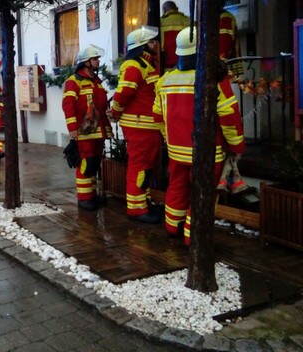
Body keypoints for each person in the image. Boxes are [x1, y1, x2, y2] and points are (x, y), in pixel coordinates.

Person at [152, 26, 245, 246]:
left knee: (177, 187)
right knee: (202, 194)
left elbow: (157, 116)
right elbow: (229, 116)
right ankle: (194, 237)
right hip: (207, 151)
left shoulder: (164, 80)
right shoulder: (214, 80)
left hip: (176, 151)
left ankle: (173, 227)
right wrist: (237, 146)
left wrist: (169, 139)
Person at [110, 26, 163, 223]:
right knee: (139, 165)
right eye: (152, 42)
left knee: (146, 166)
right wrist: (115, 112)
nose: (156, 45)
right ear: (143, 46)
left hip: (147, 125)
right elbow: (124, 93)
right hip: (139, 125)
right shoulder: (134, 65)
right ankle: (136, 209)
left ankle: (143, 202)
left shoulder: (147, 63)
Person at [62, 45, 113, 211]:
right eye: (95, 59)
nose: (98, 61)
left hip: (98, 130)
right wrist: (72, 129)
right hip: (84, 131)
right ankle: (84, 198)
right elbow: (68, 106)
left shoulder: (97, 81)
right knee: (86, 162)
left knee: (95, 163)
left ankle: (92, 194)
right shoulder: (74, 81)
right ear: (86, 62)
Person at [160, 1, 190, 70]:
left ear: (164, 10)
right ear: (176, 9)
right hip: (186, 63)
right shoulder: (188, 21)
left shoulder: (160, 22)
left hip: (167, 66)